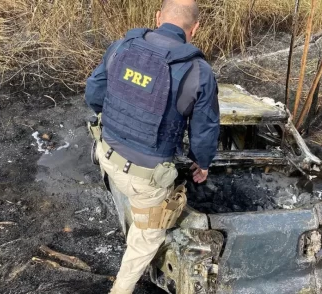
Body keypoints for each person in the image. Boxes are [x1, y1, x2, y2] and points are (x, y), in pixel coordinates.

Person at [84, 0, 220, 293]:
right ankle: (120, 289)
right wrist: (203, 163)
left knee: (133, 192)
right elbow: (204, 130)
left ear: (158, 17)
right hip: (144, 180)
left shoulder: (122, 46)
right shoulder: (198, 70)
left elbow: (94, 93)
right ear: (194, 29)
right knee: (149, 236)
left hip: (105, 152)